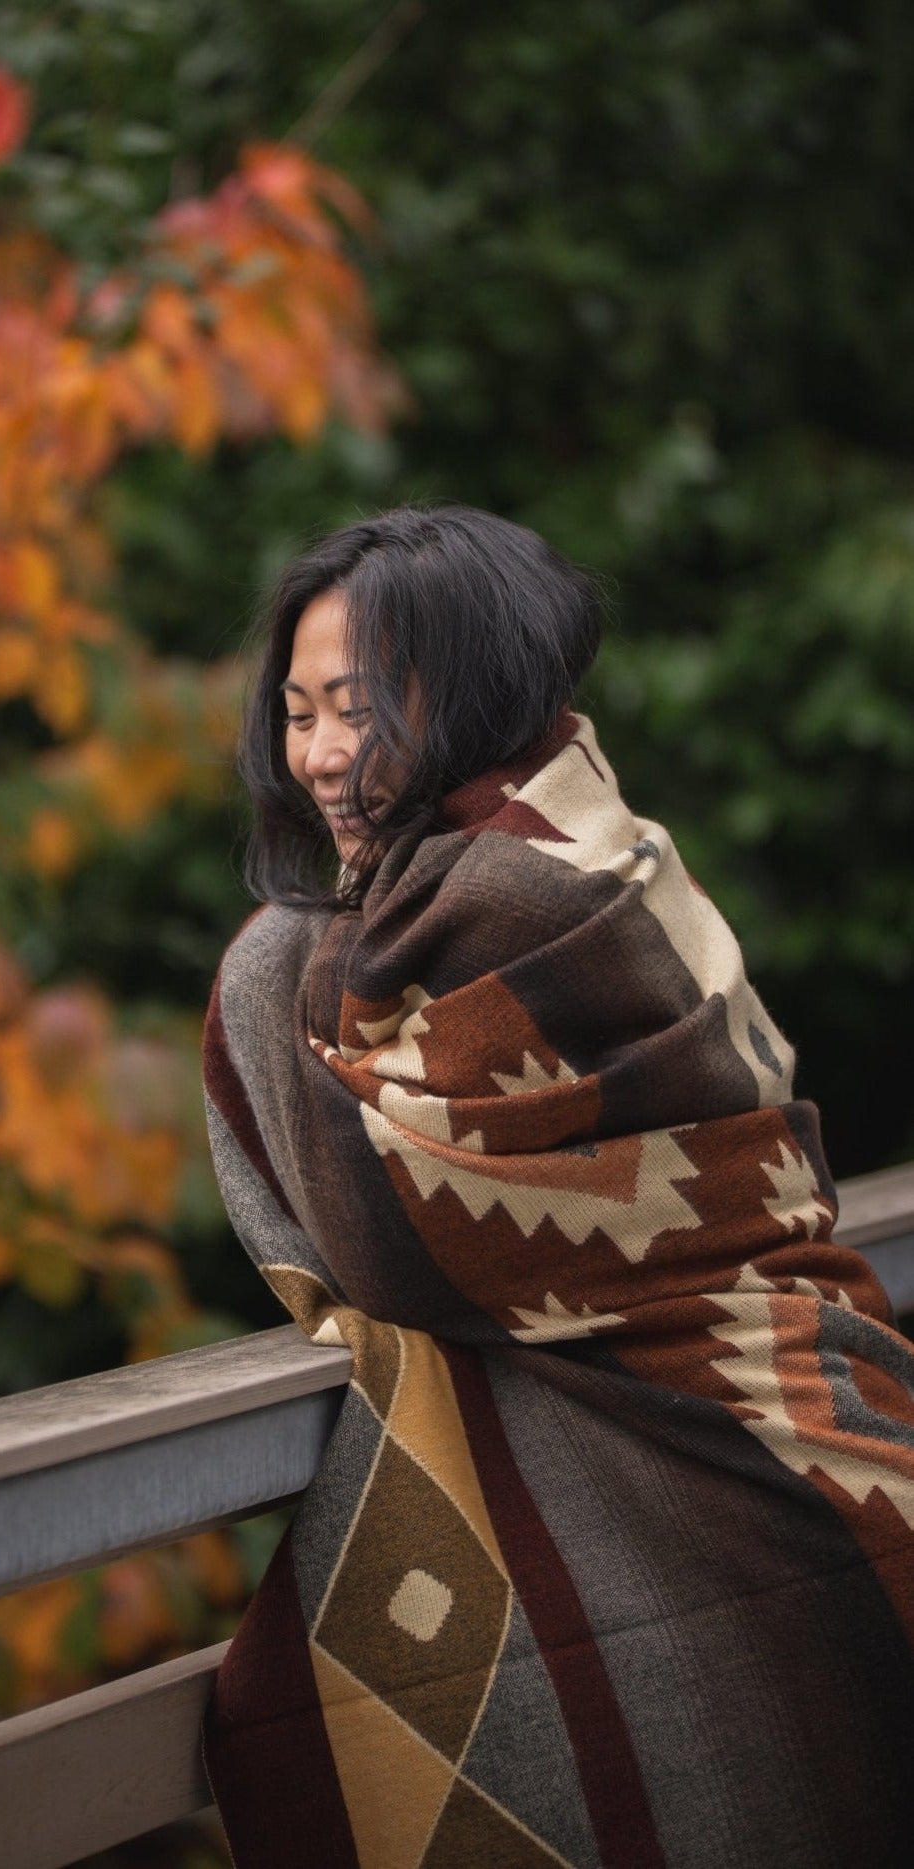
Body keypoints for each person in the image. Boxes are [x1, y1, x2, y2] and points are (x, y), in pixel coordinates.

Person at [200, 505, 914, 1869]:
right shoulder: (565, 876)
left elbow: (397, 1247)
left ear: (472, 693)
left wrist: (274, 977)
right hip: (810, 1414)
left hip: (786, 1427)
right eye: (296, 712)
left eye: (359, 705)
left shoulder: (546, 901)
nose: (321, 754)